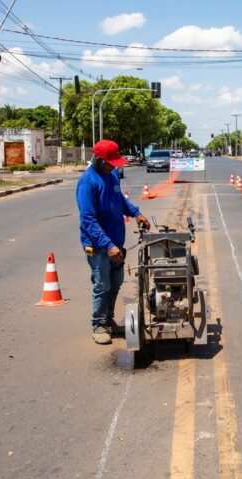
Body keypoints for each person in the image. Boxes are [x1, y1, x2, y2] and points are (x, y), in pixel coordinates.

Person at [76, 139, 151, 345]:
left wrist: (136, 213)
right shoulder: (87, 182)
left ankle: (108, 320)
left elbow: (120, 200)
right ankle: (99, 325)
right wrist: (108, 245)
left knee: (116, 283)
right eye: (111, 162)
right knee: (102, 285)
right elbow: (88, 220)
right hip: (99, 246)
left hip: (116, 243)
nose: (115, 166)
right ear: (99, 160)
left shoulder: (111, 176)